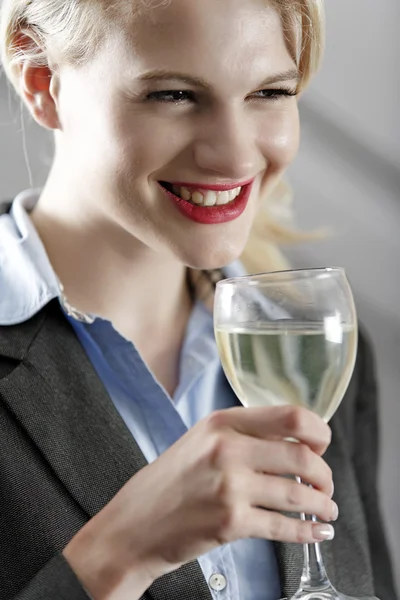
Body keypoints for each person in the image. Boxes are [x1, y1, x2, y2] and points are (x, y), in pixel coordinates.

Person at [0, 0, 396, 599]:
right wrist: (117, 556)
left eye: (270, 92)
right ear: (42, 82)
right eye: (174, 95)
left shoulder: (321, 350)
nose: (236, 156)